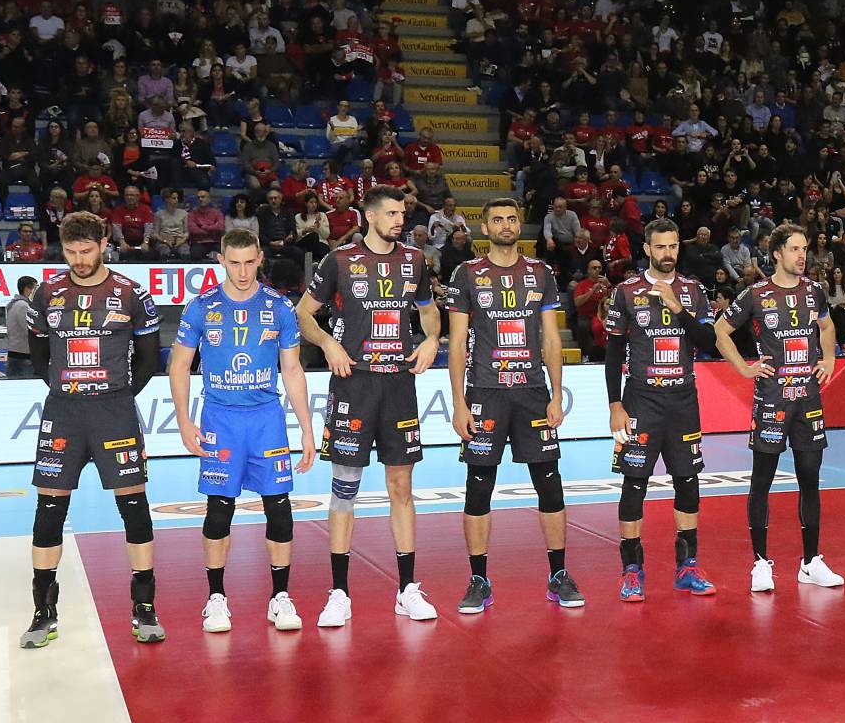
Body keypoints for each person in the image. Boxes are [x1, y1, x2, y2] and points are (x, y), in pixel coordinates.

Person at [296, 186, 442, 627]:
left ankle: (407, 589)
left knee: (401, 487)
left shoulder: (415, 260)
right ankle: (339, 592)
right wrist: (328, 344)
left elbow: (428, 310)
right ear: (370, 216)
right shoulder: (339, 260)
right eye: (392, 213)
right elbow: (303, 313)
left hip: (398, 384)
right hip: (353, 384)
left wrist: (432, 338)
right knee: (345, 487)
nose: (400, 219)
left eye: (403, 213)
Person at [20, 212, 164, 648]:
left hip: (114, 411)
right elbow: (38, 353)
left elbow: (149, 359)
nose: (79, 260)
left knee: (133, 507)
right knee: (49, 510)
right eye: (71, 252)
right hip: (63, 411)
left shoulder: (132, 293)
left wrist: (117, 395)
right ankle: (43, 612)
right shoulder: (46, 294)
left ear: (104, 244)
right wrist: (66, 388)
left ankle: (144, 607)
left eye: (86, 250)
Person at [168, 229, 317, 633]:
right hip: (220, 420)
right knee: (219, 509)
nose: (243, 271)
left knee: (279, 507)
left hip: (267, 420)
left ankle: (280, 597)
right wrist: (184, 420)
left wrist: (306, 429)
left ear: (260, 258)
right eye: (234, 263)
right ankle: (216, 598)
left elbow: (292, 369)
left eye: (250, 262)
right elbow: (179, 365)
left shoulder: (279, 307)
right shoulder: (201, 307)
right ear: (221, 261)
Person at [447, 198, 583, 613]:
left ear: (519, 225)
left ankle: (559, 574)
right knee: (478, 487)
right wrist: (458, 402)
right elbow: (457, 343)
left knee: (550, 483)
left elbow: (551, 339)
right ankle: (478, 580)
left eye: (511, 219)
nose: (505, 225)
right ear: (485, 227)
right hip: (485, 392)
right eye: (497, 220)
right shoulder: (467, 273)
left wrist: (557, 394)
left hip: (532, 392)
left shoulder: (541, 273)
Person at [714, 222, 845, 593]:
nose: (802, 256)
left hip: (808, 398)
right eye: (794, 249)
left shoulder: (815, 291)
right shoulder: (756, 294)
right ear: (776, 253)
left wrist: (830, 358)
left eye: (804, 249)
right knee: (762, 479)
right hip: (772, 398)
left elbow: (827, 327)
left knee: (810, 478)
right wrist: (744, 368)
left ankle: (811, 562)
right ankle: (760, 563)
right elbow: (720, 331)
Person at [605, 218, 719, 601]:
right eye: (660, 247)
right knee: (634, 481)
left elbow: (709, 342)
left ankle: (687, 566)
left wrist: (678, 308)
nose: (668, 253)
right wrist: (615, 404)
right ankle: (631, 571)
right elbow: (613, 353)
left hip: (683, 399)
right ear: (647, 249)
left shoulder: (693, 290)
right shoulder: (626, 292)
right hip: (641, 399)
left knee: (687, 480)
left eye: (673, 246)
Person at [4, 275, 37, 378]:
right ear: (27, 289)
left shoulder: (13, 304)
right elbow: (29, 329)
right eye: (36, 288)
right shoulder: (23, 306)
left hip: (16, 353)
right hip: (23, 355)